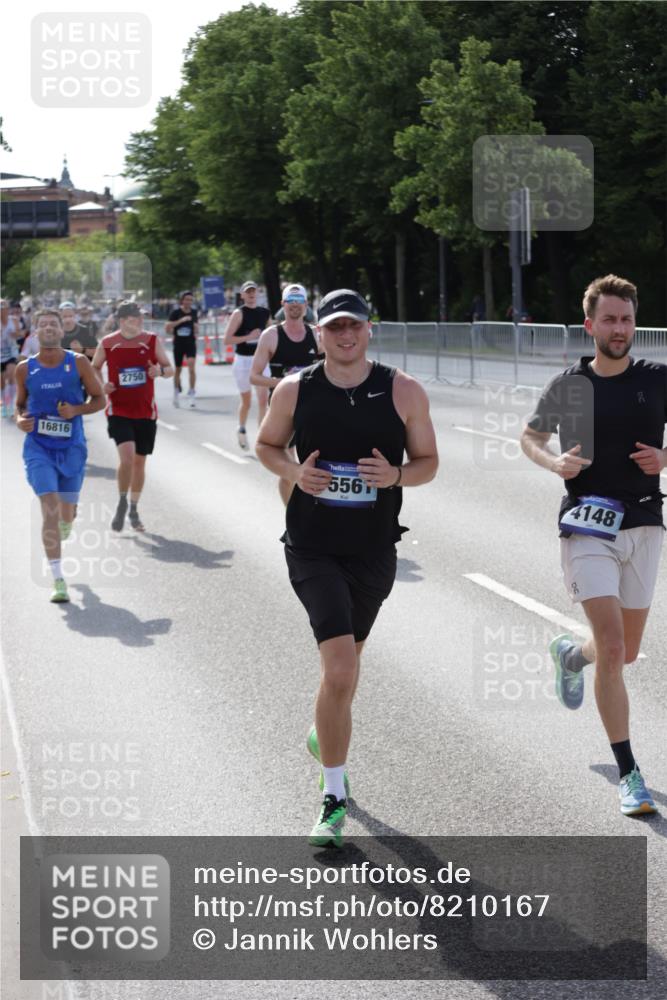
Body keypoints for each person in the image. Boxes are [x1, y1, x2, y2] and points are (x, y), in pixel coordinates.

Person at [256, 289, 438, 847]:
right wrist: (293, 470)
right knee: (339, 670)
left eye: (353, 325)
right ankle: (333, 797)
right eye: (334, 327)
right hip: (311, 546)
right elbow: (266, 446)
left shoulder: (402, 389)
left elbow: (428, 463)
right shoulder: (295, 389)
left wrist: (396, 478)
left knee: (347, 669)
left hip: (374, 549)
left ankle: (324, 733)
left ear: (368, 330)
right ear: (318, 334)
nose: (345, 335)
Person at [520, 274, 666, 817]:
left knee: (621, 652)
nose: (620, 328)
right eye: (609, 319)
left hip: (645, 523)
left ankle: (568, 654)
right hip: (586, 525)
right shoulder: (568, 386)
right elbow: (530, 436)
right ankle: (630, 773)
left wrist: (666, 459)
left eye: (627, 318)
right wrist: (553, 461)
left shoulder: (657, 379)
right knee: (612, 649)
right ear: (590, 325)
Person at [14, 309, 105, 602]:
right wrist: (19, 420)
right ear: (35, 333)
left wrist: (77, 410)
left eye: (54, 324)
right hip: (39, 447)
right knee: (49, 507)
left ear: (61, 331)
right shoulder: (24, 368)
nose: (49, 328)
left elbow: (100, 398)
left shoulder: (77, 363)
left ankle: (69, 518)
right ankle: (58, 579)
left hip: (72, 448)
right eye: (43, 324)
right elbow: (19, 405)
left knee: (67, 511)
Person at [92, 301, 174, 533]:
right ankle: (121, 500)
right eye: (134, 318)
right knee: (127, 459)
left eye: (140, 318)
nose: (139, 321)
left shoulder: (151, 340)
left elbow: (170, 369)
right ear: (122, 321)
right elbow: (94, 367)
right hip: (118, 410)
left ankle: (134, 508)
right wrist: (102, 385)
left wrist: (159, 371)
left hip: (146, 412)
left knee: (139, 462)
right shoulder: (108, 343)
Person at [250, 283, 323, 505]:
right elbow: (254, 376)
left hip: (313, 408)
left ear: (305, 304)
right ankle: (291, 515)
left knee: (320, 464)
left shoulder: (316, 334)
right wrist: (283, 383)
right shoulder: (271, 335)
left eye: (299, 301)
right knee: (289, 469)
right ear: (283, 304)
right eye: (290, 302)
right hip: (283, 410)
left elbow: (333, 366)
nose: (295, 306)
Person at [223, 281, 271, 450]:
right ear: (242, 295)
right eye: (247, 292)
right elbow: (227, 340)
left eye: (253, 291)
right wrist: (248, 337)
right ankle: (241, 428)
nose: (251, 294)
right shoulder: (238, 313)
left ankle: (262, 441)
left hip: (260, 360)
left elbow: (271, 336)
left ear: (257, 293)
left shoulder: (265, 313)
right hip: (243, 360)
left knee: (263, 400)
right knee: (247, 401)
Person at [165, 290, 199, 408]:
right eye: (186, 299)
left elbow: (196, 328)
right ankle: (176, 393)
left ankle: (192, 393)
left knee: (191, 367)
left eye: (191, 300)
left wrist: (196, 327)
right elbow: (167, 328)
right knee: (178, 370)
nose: (188, 302)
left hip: (190, 343)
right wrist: (181, 321)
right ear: (182, 300)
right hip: (178, 344)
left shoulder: (194, 312)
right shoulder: (175, 312)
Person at [1, 298, 21, 417]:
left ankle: (11, 403)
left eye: (4, 308)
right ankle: (4, 403)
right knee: (1, 382)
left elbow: (19, 333)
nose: (2, 311)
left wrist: (15, 334)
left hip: (11, 353)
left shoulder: (13, 320)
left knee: (11, 375)